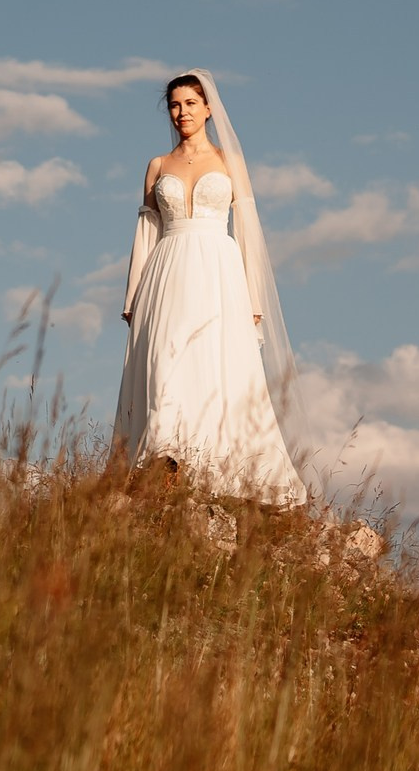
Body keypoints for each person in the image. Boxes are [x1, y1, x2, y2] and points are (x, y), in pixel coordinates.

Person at [113, 70, 307, 504]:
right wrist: (132, 297)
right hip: (166, 270)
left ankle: (218, 469)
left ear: (208, 109)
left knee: (216, 361)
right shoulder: (157, 166)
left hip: (218, 270)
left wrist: (253, 296)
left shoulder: (229, 162)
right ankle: (164, 463)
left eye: (190, 104)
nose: (181, 113)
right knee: (166, 357)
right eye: (175, 105)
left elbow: (248, 231)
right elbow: (146, 231)